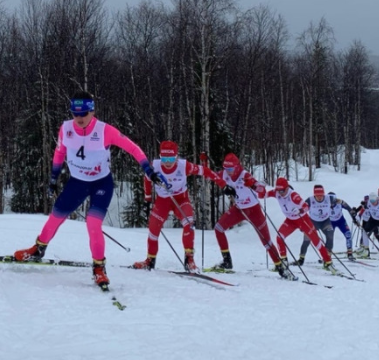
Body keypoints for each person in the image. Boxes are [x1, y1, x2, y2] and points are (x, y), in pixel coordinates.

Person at [13, 91, 164, 290]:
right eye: (75, 114)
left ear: (92, 111)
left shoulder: (104, 130)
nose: (79, 118)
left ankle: (99, 267)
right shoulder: (66, 128)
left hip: (101, 183)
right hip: (77, 182)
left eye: (84, 113)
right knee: (55, 217)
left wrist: (148, 170)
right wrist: (53, 178)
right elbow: (59, 153)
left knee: (93, 223)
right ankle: (38, 249)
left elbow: (133, 148)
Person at [131, 141, 226, 272]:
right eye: (164, 158)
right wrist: (147, 196)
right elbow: (147, 179)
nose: (168, 162)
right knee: (153, 228)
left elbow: (204, 171)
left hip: (181, 199)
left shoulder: (184, 166)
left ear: (176, 157)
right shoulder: (155, 166)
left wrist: (222, 183)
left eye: (171, 159)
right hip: (162, 201)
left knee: (189, 223)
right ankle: (150, 260)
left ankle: (189, 259)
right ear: (160, 157)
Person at [209, 153, 298, 281]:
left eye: (231, 169)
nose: (228, 172)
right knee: (218, 228)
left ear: (237, 166)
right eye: (226, 169)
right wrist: (206, 165)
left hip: (254, 210)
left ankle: (281, 269)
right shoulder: (224, 174)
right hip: (239, 209)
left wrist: (253, 185)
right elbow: (211, 176)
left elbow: (262, 191)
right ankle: (227, 261)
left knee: (266, 241)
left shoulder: (244, 175)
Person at [265, 179, 337, 274]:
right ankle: (283, 262)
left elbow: (306, 206)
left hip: (303, 220)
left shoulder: (293, 195)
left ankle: (328, 262)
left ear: (287, 188)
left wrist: (300, 211)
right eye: (278, 190)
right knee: (279, 237)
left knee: (316, 241)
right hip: (290, 220)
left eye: (282, 190)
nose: (280, 193)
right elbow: (262, 195)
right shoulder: (276, 192)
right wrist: (254, 187)